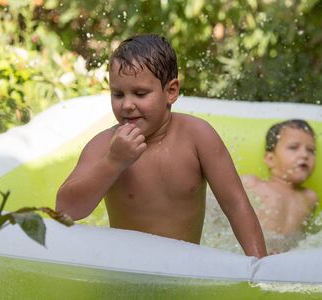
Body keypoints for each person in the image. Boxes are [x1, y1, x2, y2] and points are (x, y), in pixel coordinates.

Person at [56, 34, 267, 258]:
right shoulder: (106, 146)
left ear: (171, 91)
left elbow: (235, 204)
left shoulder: (198, 137)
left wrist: (260, 263)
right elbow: (65, 210)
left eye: (140, 93)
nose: (127, 105)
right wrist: (113, 162)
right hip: (128, 271)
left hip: (183, 273)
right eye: (118, 94)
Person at [242, 119, 318, 254]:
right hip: (256, 255)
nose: (304, 155)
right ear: (270, 159)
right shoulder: (253, 185)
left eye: (311, 150)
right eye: (294, 147)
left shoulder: (310, 198)